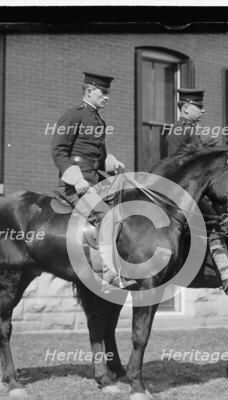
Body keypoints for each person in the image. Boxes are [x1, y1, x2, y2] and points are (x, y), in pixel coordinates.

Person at [166, 88, 228, 294]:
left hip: (194, 189)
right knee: (214, 221)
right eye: (199, 107)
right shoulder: (179, 130)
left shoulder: (190, 130)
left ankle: (226, 273)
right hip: (181, 190)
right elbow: (178, 164)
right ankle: (225, 275)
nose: (203, 111)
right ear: (186, 108)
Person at [52, 72, 135, 290]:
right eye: (103, 92)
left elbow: (97, 160)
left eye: (108, 93)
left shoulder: (99, 121)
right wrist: (76, 179)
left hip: (93, 179)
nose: (107, 97)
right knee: (105, 215)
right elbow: (59, 152)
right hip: (74, 185)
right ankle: (108, 273)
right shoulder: (74, 115)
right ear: (89, 91)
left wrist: (112, 163)